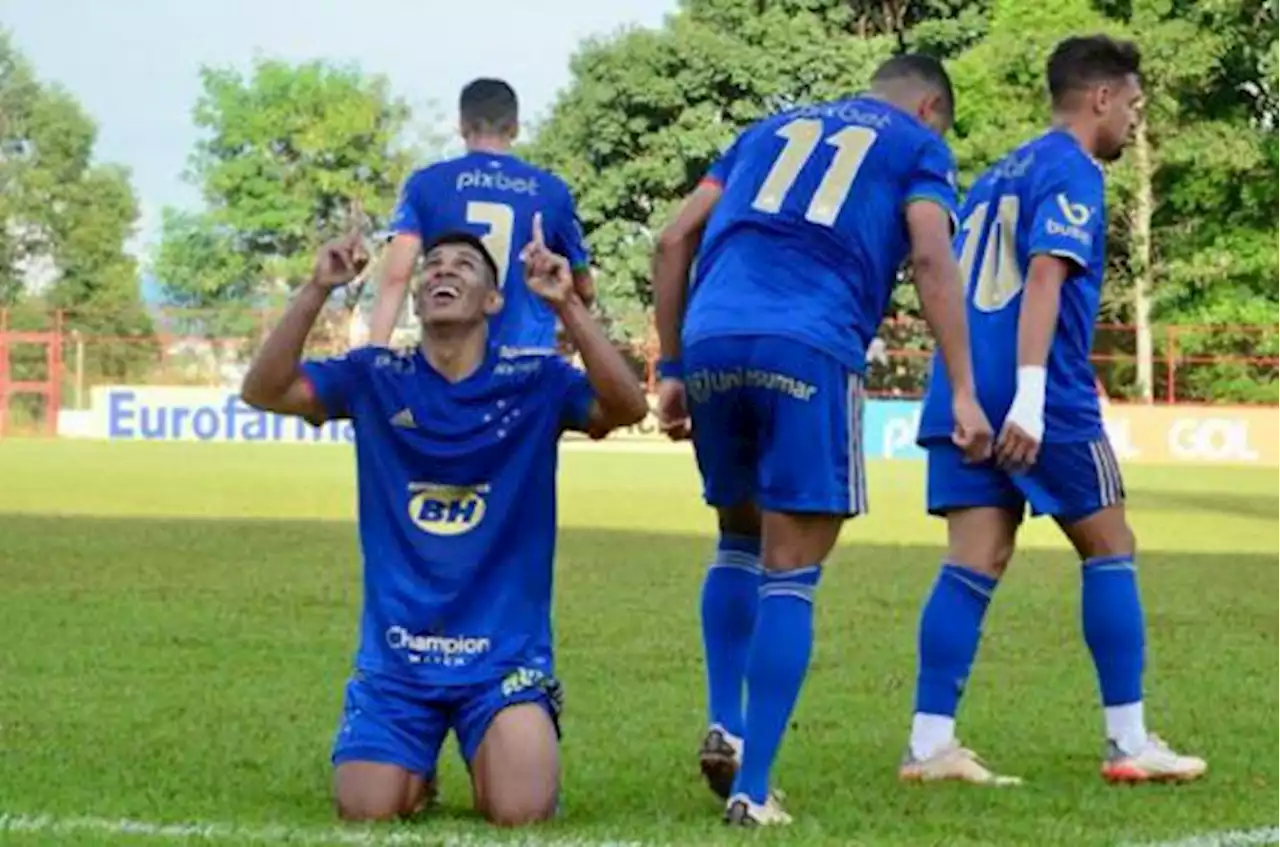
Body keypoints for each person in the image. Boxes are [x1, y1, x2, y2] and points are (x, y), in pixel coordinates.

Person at [651, 54, 993, 826]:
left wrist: (671, 363)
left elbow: (673, 241)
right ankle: (754, 786)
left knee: (736, 535)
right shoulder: (917, 147)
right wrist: (965, 387)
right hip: (807, 343)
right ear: (931, 105)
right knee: (791, 569)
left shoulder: (764, 130)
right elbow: (933, 255)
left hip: (712, 336)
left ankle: (724, 719)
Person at [239, 217, 647, 826]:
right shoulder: (374, 375)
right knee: (366, 810)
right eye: (432, 265)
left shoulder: (533, 381)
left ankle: (501, 738)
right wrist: (316, 288)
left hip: (503, 663)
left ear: (493, 300)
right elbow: (264, 390)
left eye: (463, 266)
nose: (442, 271)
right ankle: (413, 764)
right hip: (399, 662)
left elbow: (626, 406)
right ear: (417, 294)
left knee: (521, 812)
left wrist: (568, 306)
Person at [904, 35, 1206, 786]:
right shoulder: (1072, 168)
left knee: (973, 560)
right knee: (1111, 544)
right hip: (1041, 391)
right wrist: (1033, 401)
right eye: (1133, 104)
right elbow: (1044, 277)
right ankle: (1130, 739)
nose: (1135, 120)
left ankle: (929, 743)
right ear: (1100, 97)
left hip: (964, 387)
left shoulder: (998, 172)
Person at [368, 78, 595, 351]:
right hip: (527, 361)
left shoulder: (426, 184)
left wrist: (372, 357)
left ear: (462, 126)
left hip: (450, 359)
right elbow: (583, 284)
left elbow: (396, 277)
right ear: (514, 128)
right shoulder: (552, 191)